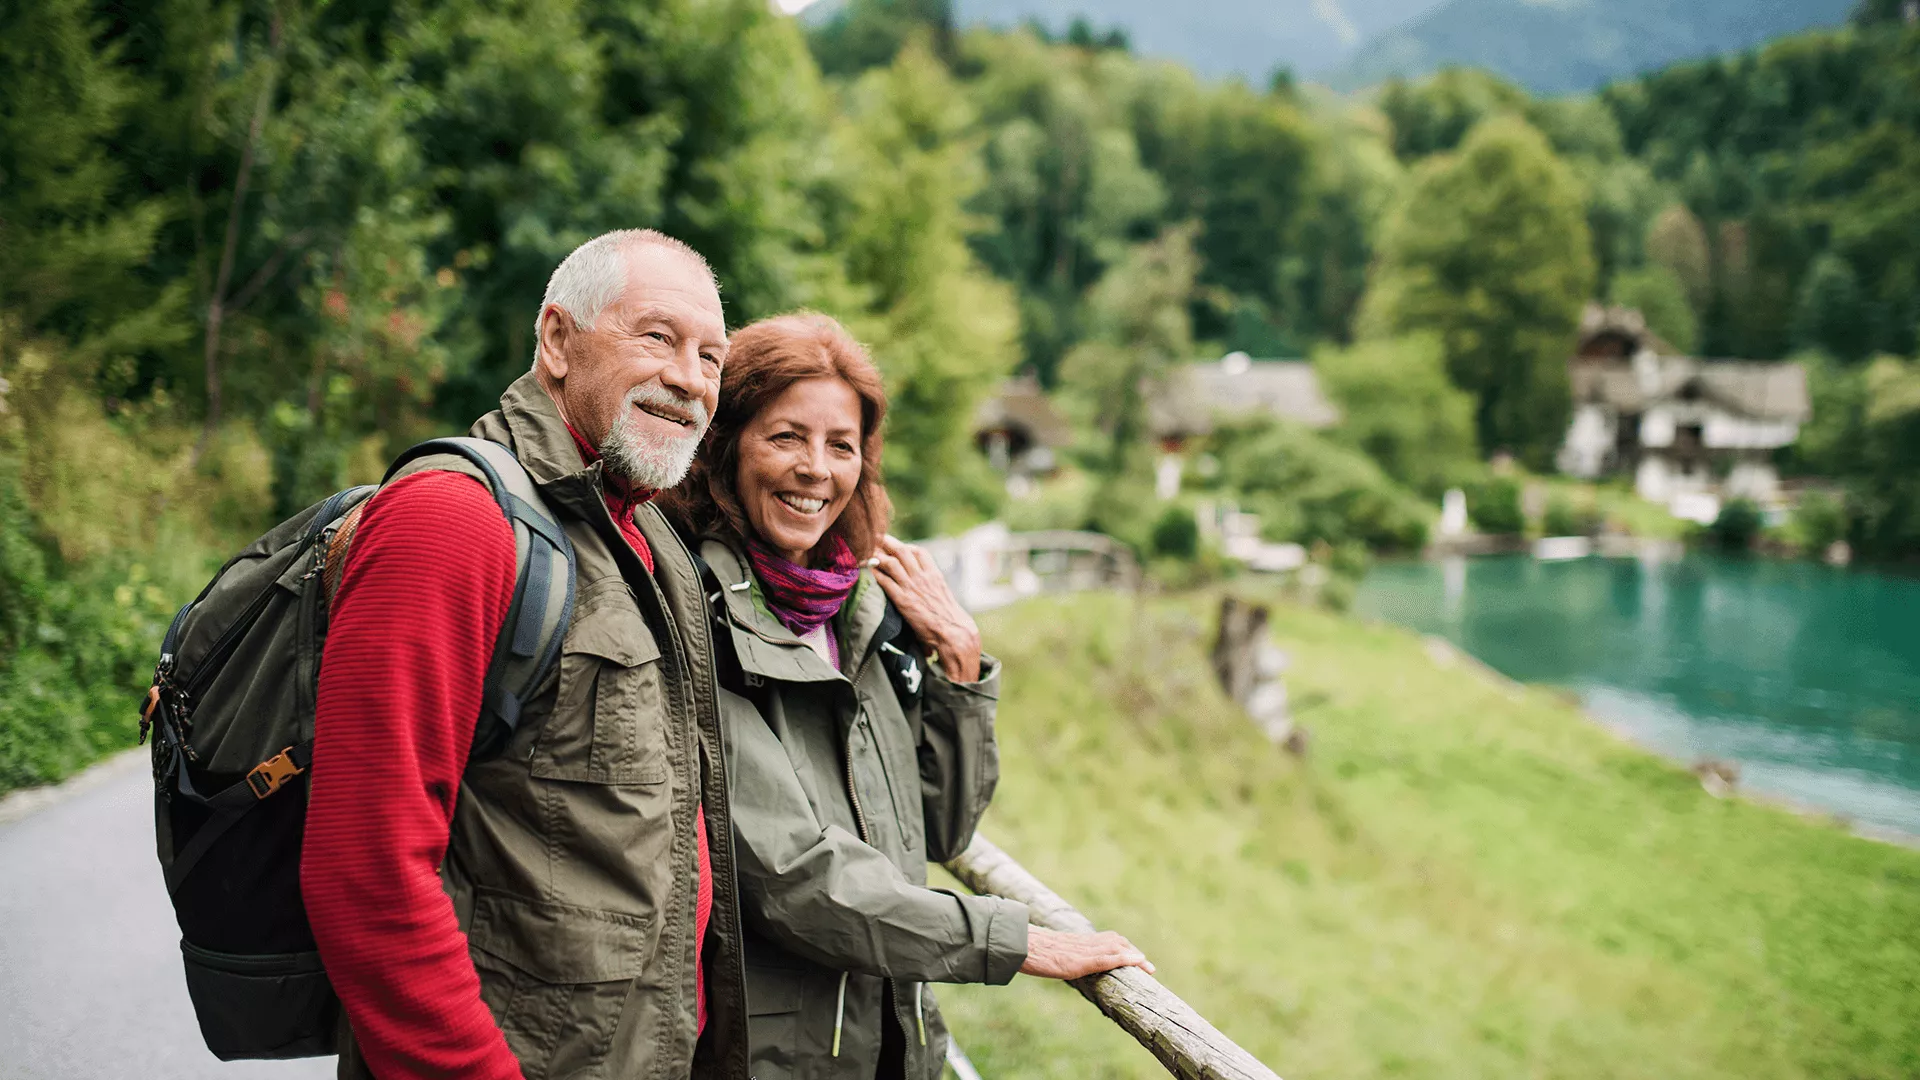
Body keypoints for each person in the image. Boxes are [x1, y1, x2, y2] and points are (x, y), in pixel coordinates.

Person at [301, 229, 752, 1080]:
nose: (691, 379)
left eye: (711, 358)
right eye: (657, 337)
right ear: (556, 340)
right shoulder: (450, 521)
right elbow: (365, 877)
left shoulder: (646, 534)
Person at [658, 313, 1150, 1080]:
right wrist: (1018, 940)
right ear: (725, 447)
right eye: (786, 437)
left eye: (841, 445)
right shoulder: (696, 612)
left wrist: (959, 665)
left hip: (894, 1040)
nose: (816, 469)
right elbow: (794, 880)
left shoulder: (864, 610)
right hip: (770, 1056)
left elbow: (939, 830)